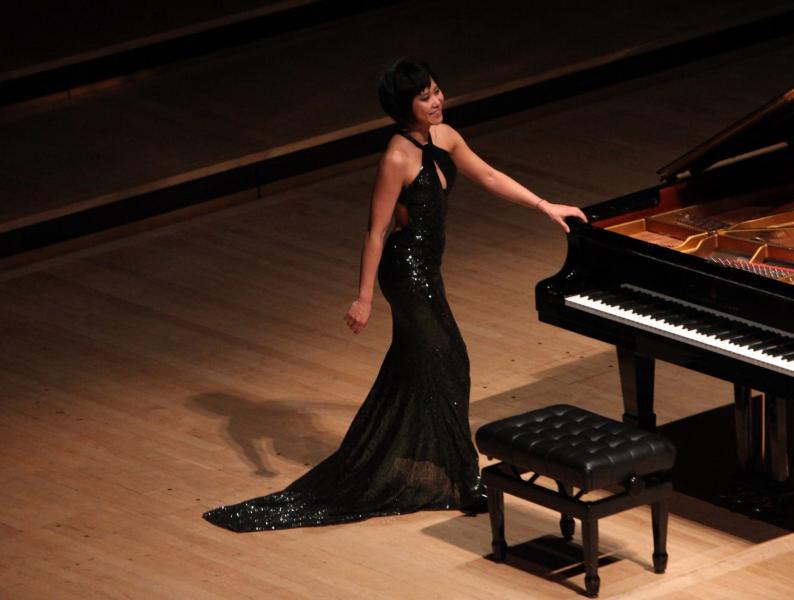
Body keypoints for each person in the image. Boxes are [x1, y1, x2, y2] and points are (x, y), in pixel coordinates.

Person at [203, 58, 587, 532]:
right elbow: (376, 231)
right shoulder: (396, 159)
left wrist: (545, 206)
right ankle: (463, 478)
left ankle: (410, 458)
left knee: (420, 366)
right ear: (404, 107)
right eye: (425, 97)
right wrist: (363, 297)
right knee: (450, 359)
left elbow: (488, 176)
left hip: (431, 269)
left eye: (437, 90)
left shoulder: (445, 137)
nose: (437, 100)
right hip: (404, 273)